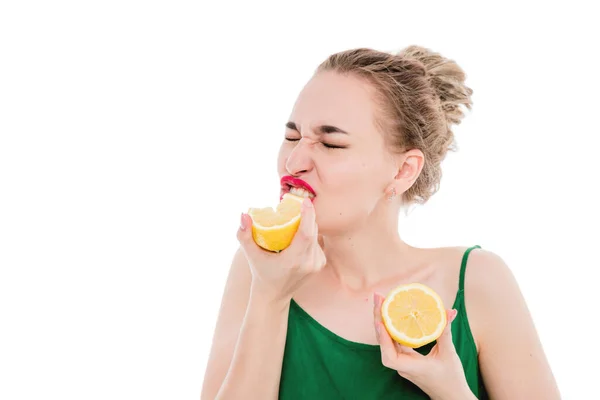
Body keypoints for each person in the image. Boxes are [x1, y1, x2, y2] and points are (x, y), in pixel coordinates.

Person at [201, 45, 561, 399]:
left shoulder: (479, 281)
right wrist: (270, 296)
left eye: (331, 144)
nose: (293, 162)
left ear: (403, 171)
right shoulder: (259, 270)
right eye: (292, 137)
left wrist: (450, 391)